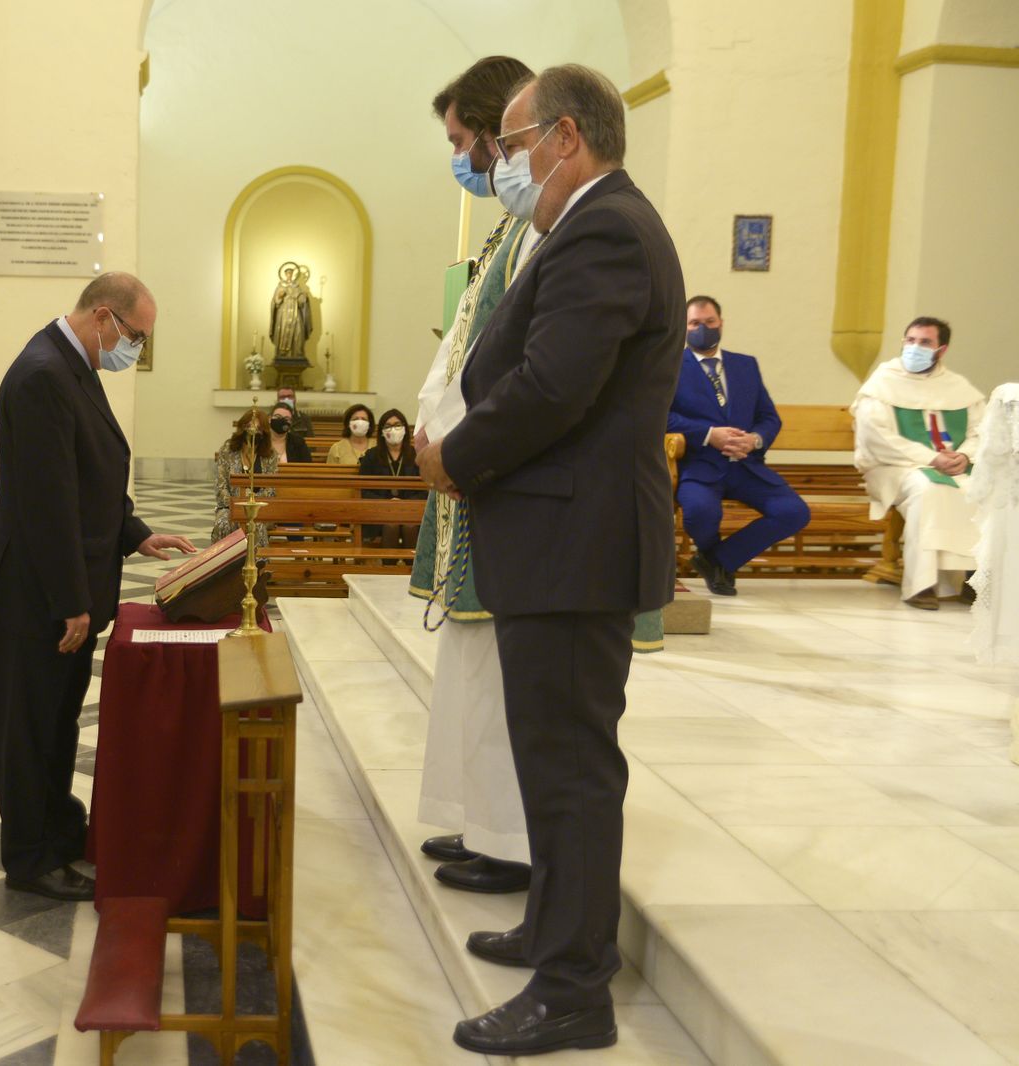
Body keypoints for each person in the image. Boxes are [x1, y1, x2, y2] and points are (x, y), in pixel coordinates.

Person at [418, 65, 683, 1057]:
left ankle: (574, 989)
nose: (507, 159)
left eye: (519, 140)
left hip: (576, 545)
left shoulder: (608, 227)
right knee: (553, 759)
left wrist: (458, 457)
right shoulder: (587, 224)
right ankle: (552, 928)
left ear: (565, 136)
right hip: (559, 537)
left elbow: (551, 386)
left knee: (571, 771)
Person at [0, 272, 196, 902]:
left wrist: (137, 534)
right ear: (104, 317)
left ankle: (58, 830)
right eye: (136, 337)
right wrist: (71, 603)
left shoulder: (73, 367)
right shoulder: (43, 376)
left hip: (62, 589)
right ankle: (31, 856)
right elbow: (47, 505)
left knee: (56, 722)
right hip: (41, 595)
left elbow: (89, 476)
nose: (136, 350)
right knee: (29, 729)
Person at [410, 54, 536, 896]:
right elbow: (461, 343)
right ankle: (476, 818)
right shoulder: (507, 229)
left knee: (500, 678)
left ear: (497, 133)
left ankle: (510, 841)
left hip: (502, 483)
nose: (459, 159)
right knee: (467, 666)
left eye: (462, 141)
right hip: (466, 472)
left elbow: (523, 367)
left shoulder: (546, 227)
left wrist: (453, 441)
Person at [668, 295, 810, 595]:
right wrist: (709, 434)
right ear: (684, 326)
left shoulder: (745, 365)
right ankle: (716, 560)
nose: (702, 328)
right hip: (700, 464)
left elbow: (769, 417)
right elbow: (661, 417)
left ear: (721, 324)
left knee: (794, 511)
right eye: (694, 323)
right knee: (700, 513)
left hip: (746, 465)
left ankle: (718, 560)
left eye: (709, 322)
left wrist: (754, 439)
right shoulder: (670, 365)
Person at [852, 316, 986, 609]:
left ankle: (973, 580)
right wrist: (932, 458)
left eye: (925, 342)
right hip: (894, 467)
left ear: (942, 349)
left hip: (952, 465)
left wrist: (964, 455)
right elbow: (877, 439)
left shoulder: (957, 386)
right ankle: (920, 585)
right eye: (910, 340)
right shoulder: (883, 383)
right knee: (929, 490)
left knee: (986, 488)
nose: (915, 347)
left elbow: (981, 430)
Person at [358, 409, 425, 550]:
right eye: (388, 426)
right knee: (391, 524)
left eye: (397, 425)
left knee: (410, 525)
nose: (393, 429)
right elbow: (363, 490)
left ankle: (411, 568)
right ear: (382, 431)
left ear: (405, 429)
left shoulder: (417, 455)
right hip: (379, 512)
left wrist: (404, 504)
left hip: (411, 510)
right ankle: (388, 568)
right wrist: (387, 503)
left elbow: (425, 490)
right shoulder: (371, 456)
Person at [212, 408, 278, 541]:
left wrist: (251, 505)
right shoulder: (228, 451)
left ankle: (257, 560)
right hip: (230, 506)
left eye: (258, 429)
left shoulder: (270, 455)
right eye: (248, 427)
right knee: (223, 523)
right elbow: (221, 486)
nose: (252, 432)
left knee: (256, 525)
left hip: (260, 508)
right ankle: (226, 561)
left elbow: (270, 489)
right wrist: (236, 505)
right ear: (242, 428)